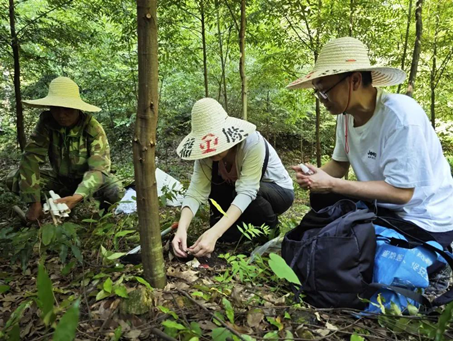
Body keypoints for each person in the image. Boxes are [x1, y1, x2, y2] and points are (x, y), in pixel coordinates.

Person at [287, 37, 453, 249]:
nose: (322, 99)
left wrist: (332, 183)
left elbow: (402, 193)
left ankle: (436, 262)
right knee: (322, 198)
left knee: (355, 254)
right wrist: (315, 177)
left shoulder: (401, 117)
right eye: (317, 92)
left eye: (325, 91)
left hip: (424, 220)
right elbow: (339, 165)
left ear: (355, 80)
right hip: (383, 210)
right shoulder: (345, 116)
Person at [171, 98, 294, 258]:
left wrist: (215, 233)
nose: (212, 152)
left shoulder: (252, 143)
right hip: (237, 191)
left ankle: (269, 231)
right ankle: (237, 232)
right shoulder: (204, 155)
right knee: (216, 192)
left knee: (249, 195)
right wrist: (182, 227)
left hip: (277, 192)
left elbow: (247, 190)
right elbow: (196, 192)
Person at [6, 76, 123, 221]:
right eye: (56, 109)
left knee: (116, 190)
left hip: (89, 180)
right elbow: (31, 158)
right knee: (14, 178)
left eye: (67, 109)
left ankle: (102, 214)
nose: (61, 115)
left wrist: (77, 197)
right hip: (60, 179)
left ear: (77, 108)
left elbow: (98, 170)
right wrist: (33, 202)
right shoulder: (47, 123)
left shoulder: (92, 128)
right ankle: (45, 207)